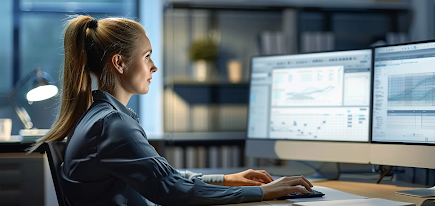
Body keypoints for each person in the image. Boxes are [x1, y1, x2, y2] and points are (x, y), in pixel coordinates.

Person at [28, 15, 313, 206]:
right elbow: (171, 190)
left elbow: (164, 176)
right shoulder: (113, 124)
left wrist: (227, 179)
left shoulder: (100, 117)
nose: (154, 67)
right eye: (147, 56)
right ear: (119, 63)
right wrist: (263, 192)